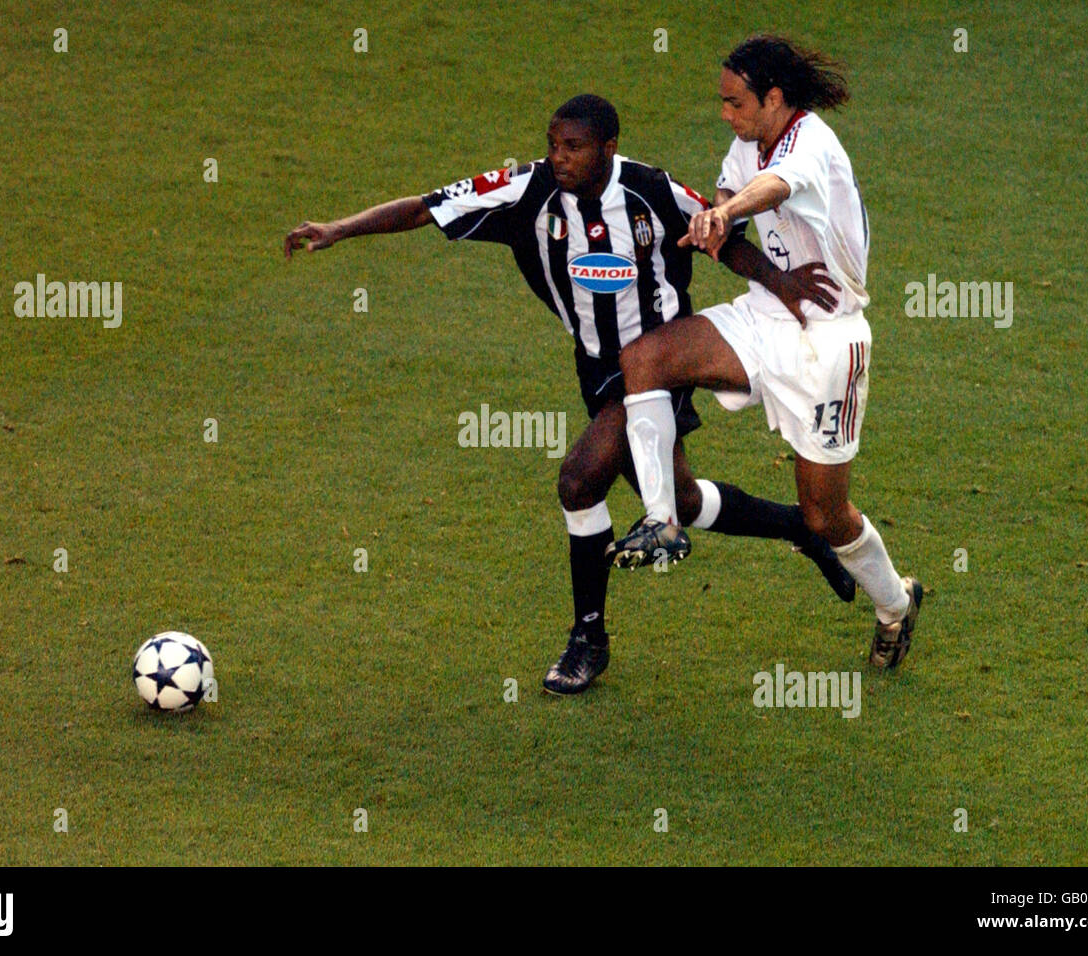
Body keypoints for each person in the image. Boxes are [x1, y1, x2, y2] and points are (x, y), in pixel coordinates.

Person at [285, 94, 853, 694]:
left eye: (574, 147)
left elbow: (721, 239)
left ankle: (589, 640)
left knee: (579, 480)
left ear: (608, 147)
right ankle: (802, 529)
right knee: (682, 501)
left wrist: (781, 282)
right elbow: (427, 208)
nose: (559, 157)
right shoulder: (524, 191)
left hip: (661, 366)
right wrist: (340, 230)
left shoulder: (651, 191)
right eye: (554, 145)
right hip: (597, 373)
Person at [608, 39, 923, 669]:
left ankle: (895, 602)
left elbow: (773, 189)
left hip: (829, 340)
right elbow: (734, 202)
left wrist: (727, 211)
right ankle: (663, 521)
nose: (725, 113)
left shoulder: (812, 142)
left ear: (773, 98)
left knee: (824, 514)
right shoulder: (747, 144)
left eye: (735, 101)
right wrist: (721, 224)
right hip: (763, 317)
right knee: (645, 359)